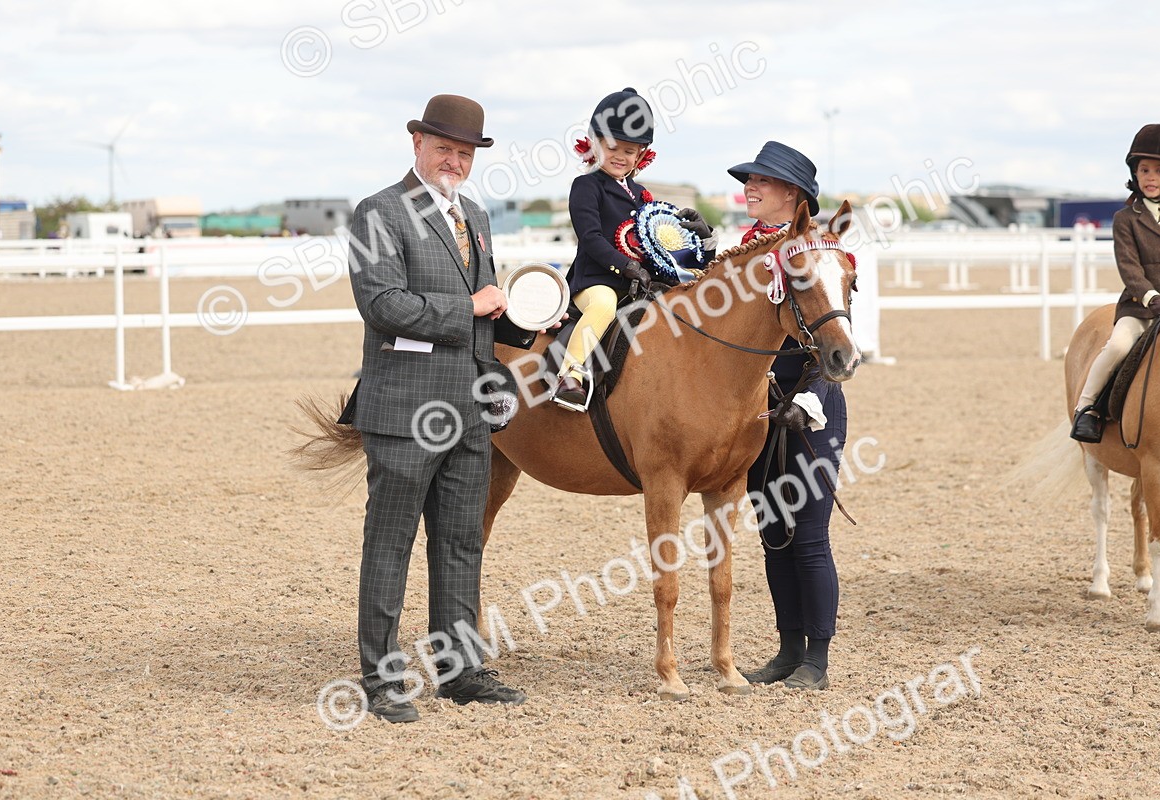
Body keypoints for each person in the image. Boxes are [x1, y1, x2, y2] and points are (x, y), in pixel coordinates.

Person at [345, 94, 529, 723]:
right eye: (444, 147)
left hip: (468, 408)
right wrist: (471, 309)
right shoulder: (380, 213)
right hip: (403, 409)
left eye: (465, 152)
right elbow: (384, 306)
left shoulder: (474, 214)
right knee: (390, 545)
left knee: (459, 543)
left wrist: (523, 318)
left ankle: (460, 670)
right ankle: (380, 678)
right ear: (417, 145)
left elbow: (487, 308)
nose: (454, 160)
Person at [731, 141, 847, 691]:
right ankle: (786, 650)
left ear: (795, 199)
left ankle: (817, 660)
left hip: (810, 406)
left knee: (808, 536)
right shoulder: (746, 252)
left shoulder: (822, 254)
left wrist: (812, 396)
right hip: (759, 410)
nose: (751, 186)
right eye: (750, 179)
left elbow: (839, 338)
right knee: (772, 534)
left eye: (764, 181)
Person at [551, 88, 716, 410]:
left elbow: (656, 242)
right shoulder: (586, 186)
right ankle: (570, 374)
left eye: (630, 151)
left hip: (639, 282)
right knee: (602, 307)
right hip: (597, 280)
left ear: (641, 155)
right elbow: (591, 238)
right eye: (612, 147)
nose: (620, 156)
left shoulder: (642, 195)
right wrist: (623, 265)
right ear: (594, 143)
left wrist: (692, 240)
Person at [1071, 123, 1160, 442]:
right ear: (1135, 173)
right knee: (1117, 346)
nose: (1151, 177)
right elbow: (1129, 268)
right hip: (1141, 308)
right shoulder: (1126, 219)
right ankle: (1087, 409)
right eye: (1144, 170)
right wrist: (1151, 299)